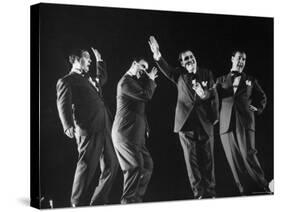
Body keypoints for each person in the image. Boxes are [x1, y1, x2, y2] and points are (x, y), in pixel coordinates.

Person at [148, 36, 218, 199]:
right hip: (185, 126)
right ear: (181, 63)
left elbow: (213, 93)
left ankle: (211, 192)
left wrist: (205, 94)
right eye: (186, 58)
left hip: (204, 123)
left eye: (191, 57)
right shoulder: (178, 75)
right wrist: (157, 54)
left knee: (208, 161)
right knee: (191, 162)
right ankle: (199, 193)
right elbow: (166, 68)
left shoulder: (206, 73)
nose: (190, 60)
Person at [56, 47, 118, 206]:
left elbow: (102, 79)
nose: (89, 60)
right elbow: (63, 103)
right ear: (76, 59)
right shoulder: (67, 80)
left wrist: (100, 61)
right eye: (86, 57)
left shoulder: (88, 79)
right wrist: (67, 124)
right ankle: (76, 203)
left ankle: (98, 201)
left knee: (112, 164)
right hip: (88, 128)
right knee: (86, 166)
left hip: (105, 126)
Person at [216, 50, 270, 195]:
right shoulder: (221, 80)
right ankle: (244, 191)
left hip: (244, 122)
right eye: (239, 58)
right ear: (232, 58)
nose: (241, 62)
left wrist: (258, 108)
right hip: (226, 124)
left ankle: (264, 186)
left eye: (244, 59)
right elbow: (211, 97)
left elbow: (262, 96)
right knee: (234, 160)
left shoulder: (251, 80)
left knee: (248, 155)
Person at [111, 58, 158, 203]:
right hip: (125, 134)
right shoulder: (125, 82)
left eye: (146, 69)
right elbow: (146, 95)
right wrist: (151, 80)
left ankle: (136, 200)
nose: (144, 71)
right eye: (142, 67)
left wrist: (146, 126)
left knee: (147, 164)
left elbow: (139, 107)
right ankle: (128, 202)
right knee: (134, 167)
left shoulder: (134, 83)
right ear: (133, 64)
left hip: (136, 135)